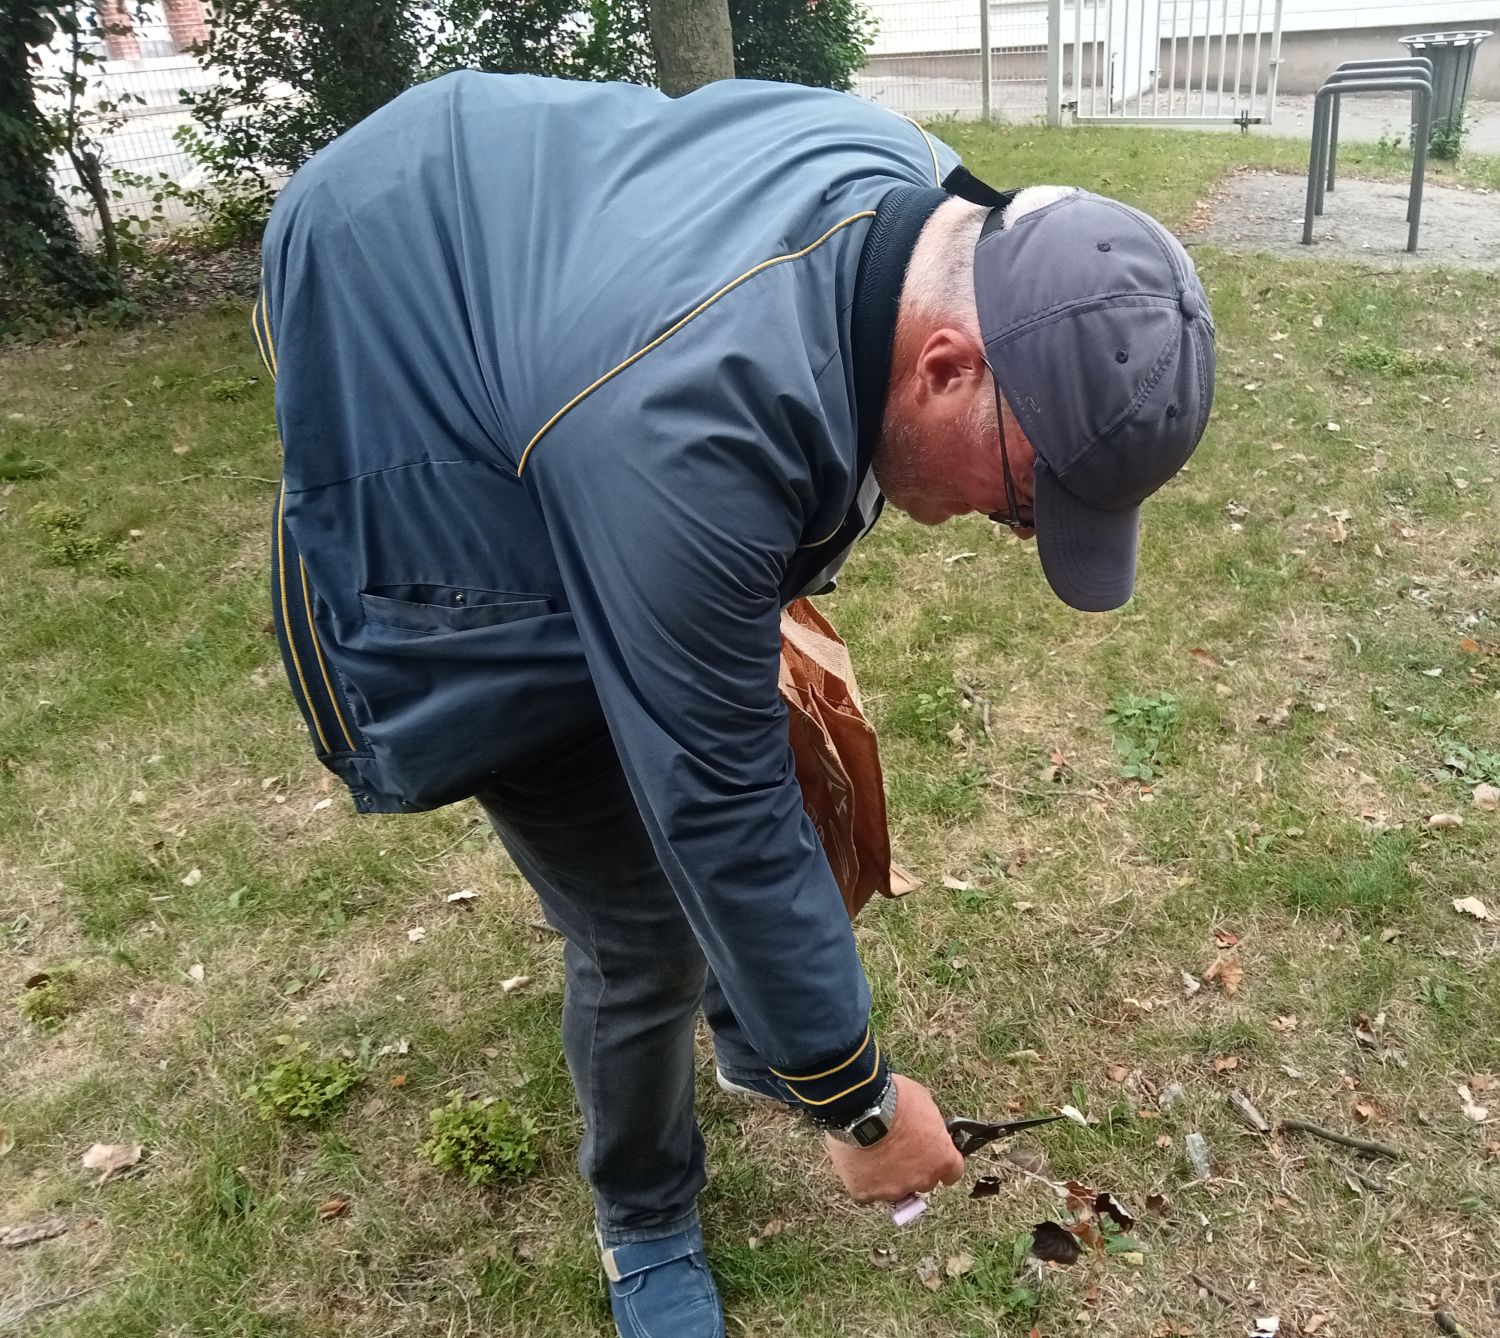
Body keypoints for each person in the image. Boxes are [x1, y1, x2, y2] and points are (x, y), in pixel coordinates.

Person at [257, 71, 1214, 1338]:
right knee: (635, 915)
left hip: (553, 318)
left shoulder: (924, 222)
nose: (1013, 528)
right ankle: (643, 1211)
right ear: (947, 364)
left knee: (698, 727)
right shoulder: (685, 428)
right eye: (1029, 495)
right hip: (389, 292)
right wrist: (857, 1105)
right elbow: (716, 794)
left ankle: (750, 1022)